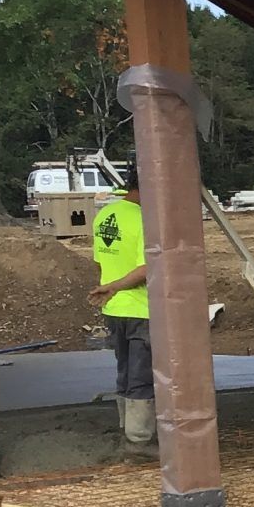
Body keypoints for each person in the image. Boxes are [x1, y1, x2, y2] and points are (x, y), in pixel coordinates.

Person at [87, 164, 157, 460]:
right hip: (140, 309)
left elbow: (100, 262)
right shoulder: (143, 220)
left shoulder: (106, 214)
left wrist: (110, 287)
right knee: (142, 374)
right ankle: (139, 441)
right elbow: (147, 267)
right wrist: (117, 285)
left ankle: (126, 429)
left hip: (113, 308)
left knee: (125, 370)